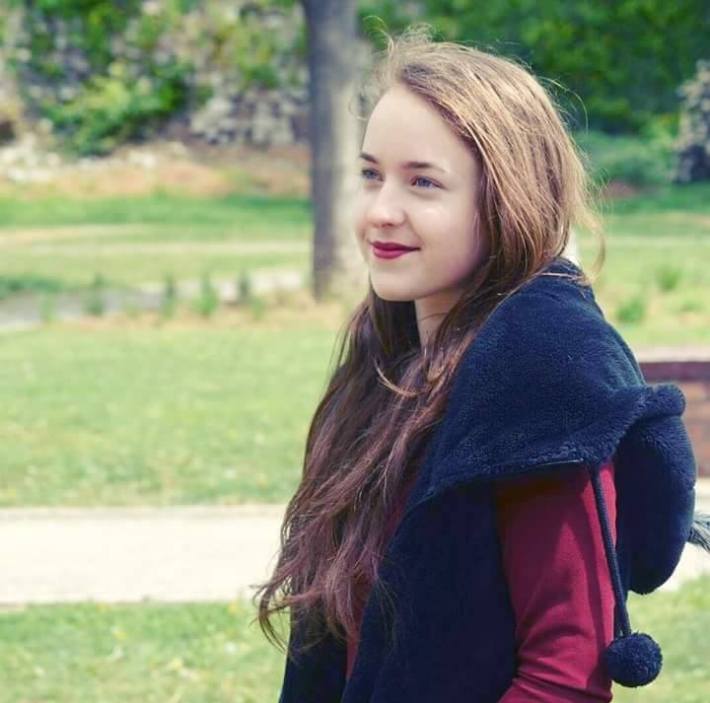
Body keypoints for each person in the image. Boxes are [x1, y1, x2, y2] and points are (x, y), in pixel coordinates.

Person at [252, 25, 707, 702]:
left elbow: (565, 677)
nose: (381, 211)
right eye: (371, 175)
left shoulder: (543, 376)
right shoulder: (388, 356)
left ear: (504, 198)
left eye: (423, 182)